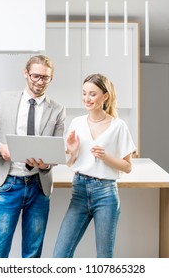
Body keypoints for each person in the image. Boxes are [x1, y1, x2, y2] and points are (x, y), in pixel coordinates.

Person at [0, 55, 66, 258]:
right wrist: (0, 148)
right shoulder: (4, 99)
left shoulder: (58, 109)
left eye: (46, 78)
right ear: (25, 73)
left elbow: (57, 149)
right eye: (35, 76)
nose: (40, 82)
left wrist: (46, 164)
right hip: (9, 183)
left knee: (32, 253)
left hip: (39, 186)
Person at [53, 73, 136, 258]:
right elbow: (71, 163)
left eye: (92, 94)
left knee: (104, 257)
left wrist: (106, 157)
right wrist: (73, 151)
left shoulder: (118, 126)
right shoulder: (77, 123)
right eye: (84, 93)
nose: (87, 98)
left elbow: (127, 166)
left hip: (106, 194)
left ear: (105, 96)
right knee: (60, 255)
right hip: (79, 191)